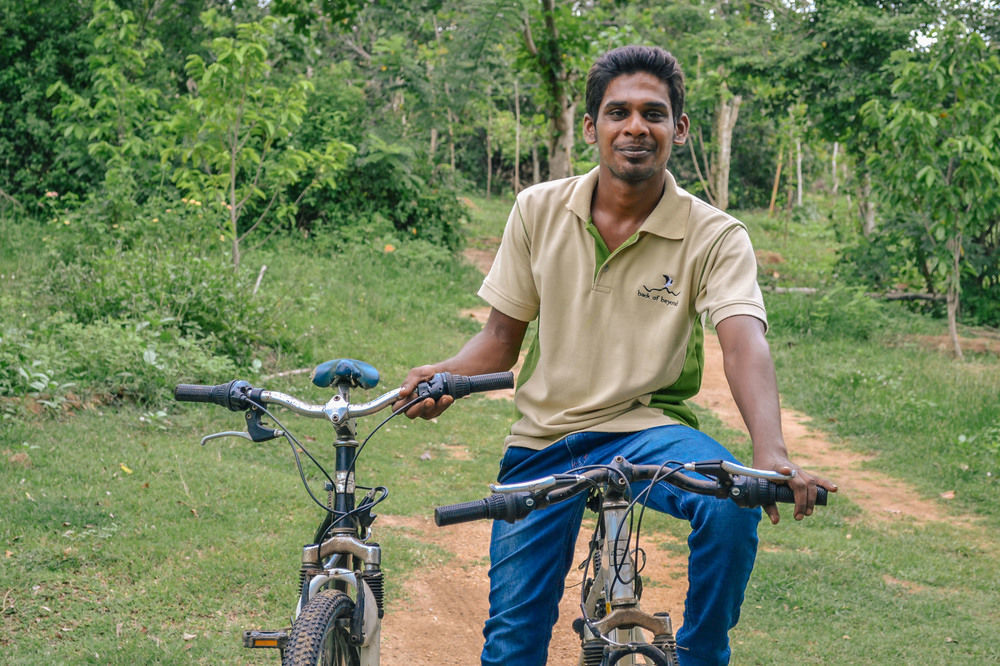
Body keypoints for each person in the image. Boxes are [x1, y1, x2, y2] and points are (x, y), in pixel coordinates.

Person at [395, 45, 837, 666]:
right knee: (512, 645)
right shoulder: (536, 209)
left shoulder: (716, 234)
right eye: (617, 112)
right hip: (543, 439)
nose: (635, 127)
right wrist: (443, 374)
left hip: (648, 432)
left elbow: (743, 342)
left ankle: (702, 655)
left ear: (678, 130)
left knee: (733, 507)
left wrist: (771, 458)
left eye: (653, 114)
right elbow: (500, 338)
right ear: (591, 128)